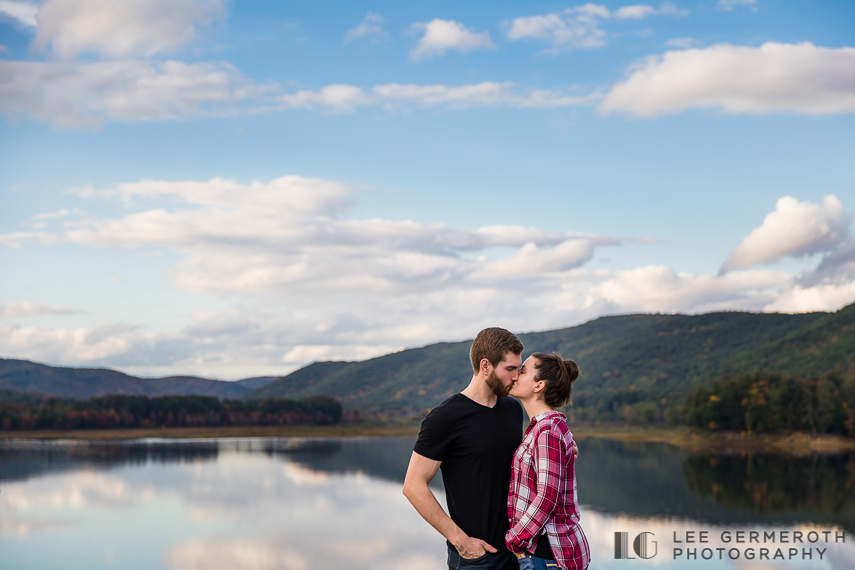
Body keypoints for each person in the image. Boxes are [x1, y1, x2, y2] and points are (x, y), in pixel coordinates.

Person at [403, 327, 524, 570]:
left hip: (517, 552)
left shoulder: (513, 409)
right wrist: (461, 541)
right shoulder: (445, 417)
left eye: (518, 369)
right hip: (477, 558)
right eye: (509, 369)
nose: (516, 377)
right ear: (485, 366)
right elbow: (413, 486)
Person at [505, 352, 590, 570]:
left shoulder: (548, 431)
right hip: (546, 554)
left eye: (522, 371)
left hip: (549, 557)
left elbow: (547, 497)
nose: (515, 376)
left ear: (538, 385)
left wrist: (515, 539)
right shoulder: (543, 428)